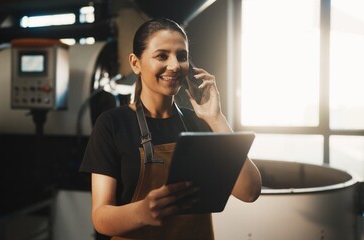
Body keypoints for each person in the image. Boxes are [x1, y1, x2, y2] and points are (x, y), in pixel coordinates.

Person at [79, 17, 262, 240]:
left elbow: (249, 191)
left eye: (182, 56)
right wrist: (142, 211)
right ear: (135, 63)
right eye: (162, 55)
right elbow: (100, 218)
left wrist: (215, 117)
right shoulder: (112, 124)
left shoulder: (200, 123)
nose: (175, 65)